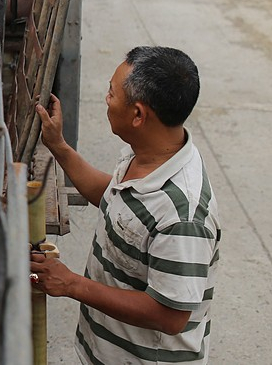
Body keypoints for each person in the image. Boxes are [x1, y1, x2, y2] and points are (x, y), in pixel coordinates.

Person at [30, 46, 219, 364]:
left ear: (138, 115)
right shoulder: (149, 153)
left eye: (112, 93)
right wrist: (59, 146)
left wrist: (72, 283)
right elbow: (116, 202)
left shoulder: (182, 216)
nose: (106, 99)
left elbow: (171, 316)